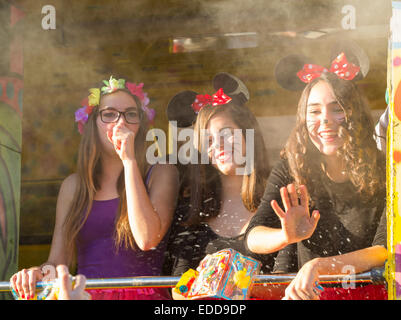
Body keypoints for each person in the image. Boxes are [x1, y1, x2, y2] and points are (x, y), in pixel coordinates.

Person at [10, 76, 179, 300]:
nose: (120, 123)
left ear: (140, 125)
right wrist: (37, 273)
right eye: (109, 114)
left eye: (130, 114)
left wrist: (129, 161)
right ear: (91, 125)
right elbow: (58, 263)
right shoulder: (74, 186)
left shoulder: (161, 172)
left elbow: (147, 239)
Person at [245, 55, 387, 300]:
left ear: (355, 113)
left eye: (337, 109)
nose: (325, 120)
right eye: (314, 111)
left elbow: (382, 250)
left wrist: (319, 266)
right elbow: (253, 237)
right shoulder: (290, 167)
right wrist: (285, 236)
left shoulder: (383, 168)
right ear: (303, 119)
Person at [164, 73, 277, 300]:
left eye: (227, 134)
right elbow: (177, 286)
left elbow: (290, 281)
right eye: (208, 141)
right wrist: (196, 293)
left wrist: (233, 289)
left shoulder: (277, 201)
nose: (219, 146)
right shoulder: (192, 209)